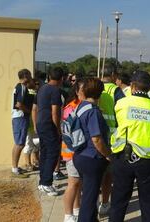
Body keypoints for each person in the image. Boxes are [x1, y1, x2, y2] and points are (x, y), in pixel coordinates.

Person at [109, 71, 150, 222]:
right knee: (149, 203)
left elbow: (119, 122)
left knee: (118, 201)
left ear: (133, 86)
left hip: (123, 156)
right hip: (147, 160)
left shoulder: (122, 103)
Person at [73, 78, 111, 222]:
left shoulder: (81, 106)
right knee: (89, 199)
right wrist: (108, 155)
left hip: (80, 155)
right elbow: (96, 139)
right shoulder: (93, 111)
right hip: (92, 158)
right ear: (100, 93)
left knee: (88, 193)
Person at [98, 73, 125, 215]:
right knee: (108, 173)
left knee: (96, 172)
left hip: (96, 134)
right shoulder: (116, 90)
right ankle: (105, 203)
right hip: (113, 136)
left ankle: (94, 202)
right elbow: (123, 111)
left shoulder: (94, 87)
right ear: (113, 77)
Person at [36, 67, 64, 196]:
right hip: (49, 125)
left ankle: (42, 182)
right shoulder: (55, 91)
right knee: (53, 153)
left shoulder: (42, 88)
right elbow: (55, 112)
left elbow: (35, 108)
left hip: (41, 123)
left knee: (45, 152)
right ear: (61, 79)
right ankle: (47, 183)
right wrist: (58, 129)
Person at [62, 80, 84, 222]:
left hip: (77, 153)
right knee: (73, 183)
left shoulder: (82, 106)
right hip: (72, 152)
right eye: (83, 89)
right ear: (77, 91)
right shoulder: (71, 108)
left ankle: (76, 209)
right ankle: (68, 215)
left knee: (78, 183)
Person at [11, 68, 33, 178]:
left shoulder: (19, 87)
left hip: (19, 118)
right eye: (29, 75)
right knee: (19, 144)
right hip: (20, 117)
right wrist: (29, 111)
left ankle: (15, 167)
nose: (31, 77)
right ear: (25, 76)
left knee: (19, 143)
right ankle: (14, 169)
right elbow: (19, 104)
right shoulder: (22, 87)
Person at [23, 78, 41, 172]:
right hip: (30, 123)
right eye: (36, 83)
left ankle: (35, 161)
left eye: (38, 83)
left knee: (36, 143)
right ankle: (27, 163)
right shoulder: (31, 93)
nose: (37, 85)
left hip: (35, 122)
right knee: (29, 143)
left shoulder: (37, 93)